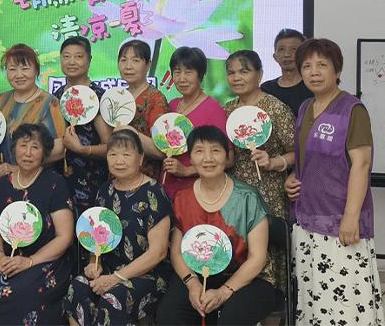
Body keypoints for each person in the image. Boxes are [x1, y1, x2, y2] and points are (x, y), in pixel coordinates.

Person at [284, 38, 384, 325]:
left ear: (337, 70)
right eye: (307, 66)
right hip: (307, 221)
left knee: (345, 301)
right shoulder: (306, 107)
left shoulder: (352, 109)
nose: (314, 72)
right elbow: (308, 159)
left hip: (340, 223)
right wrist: (293, 177)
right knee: (315, 299)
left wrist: (351, 218)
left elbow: (361, 165)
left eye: (322, 65)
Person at [157, 126, 277, 326]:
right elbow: (177, 252)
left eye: (215, 150)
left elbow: (257, 258)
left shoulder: (248, 198)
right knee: (169, 315)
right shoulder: (182, 198)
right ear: (190, 158)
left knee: (230, 320)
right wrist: (192, 284)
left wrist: (223, 293)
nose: (208, 158)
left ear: (227, 156)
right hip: (199, 273)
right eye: (199, 151)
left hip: (248, 278)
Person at [0, 124, 75, 325]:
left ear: (44, 153)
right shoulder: (3, 184)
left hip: (45, 262)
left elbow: (65, 237)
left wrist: (30, 261)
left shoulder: (55, 183)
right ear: (14, 149)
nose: (28, 153)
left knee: (23, 295)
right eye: (23, 146)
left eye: (35, 147)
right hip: (8, 260)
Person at [64, 129, 172, 325]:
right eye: (113, 154)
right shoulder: (104, 191)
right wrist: (94, 263)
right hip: (109, 269)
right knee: (78, 287)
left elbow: (158, 252)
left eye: (126, 155)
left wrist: (116, 278)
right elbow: (97, 239)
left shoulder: (154, 193)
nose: (119, 161)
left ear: (140, 159)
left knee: (113, 299)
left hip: (146, 274)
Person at [224, 49, 294, 294]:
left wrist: (272, 162)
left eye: (244, 71)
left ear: (260, 74)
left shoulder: (275, 108)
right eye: (231, 73)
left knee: (267, 254)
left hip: (269, 193)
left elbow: (297, 153)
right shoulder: (227, 109)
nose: (236, 77)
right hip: (235, 194)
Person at [0, 44, 66, 178]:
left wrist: (20, 168)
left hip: (36, 180)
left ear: (36, 70)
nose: (18, 75)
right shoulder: (2, 99)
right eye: (12, 69)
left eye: (25, 68)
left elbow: (60, 148)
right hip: (2, 178)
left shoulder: (50, 102)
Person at [51, 36, 112, 215]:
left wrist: (82, 149)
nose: (71, 62)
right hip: (58, 179)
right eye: (66, 56)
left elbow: (110, 146)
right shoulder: (55, 96)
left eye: (78, 56)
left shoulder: (98, 96)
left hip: (91, 179)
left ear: (89, 60)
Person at [160, 47, 229, 200]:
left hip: (198, 192)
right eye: (177, 72)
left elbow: (229, 159)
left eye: (188, 72)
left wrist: (187, 170)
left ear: (201, 75)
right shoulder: (172, 105)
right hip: (166, 188)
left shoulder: (213, 109)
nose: (182, 79)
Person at [115, 39, 169, 179]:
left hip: (145, 178)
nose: (128, 66)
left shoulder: (156, 99)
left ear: (148, 65)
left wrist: (131, 132)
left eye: (135, 60)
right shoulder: (117, 97)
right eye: (123, 60)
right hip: (117, 176)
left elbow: (161, 151)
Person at [261, 28, 313, 117]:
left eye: (293, 49)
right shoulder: (266, 89)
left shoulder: (313, 86)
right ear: (275, 56)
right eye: (281, 49)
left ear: (304, 54)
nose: (287, 54)